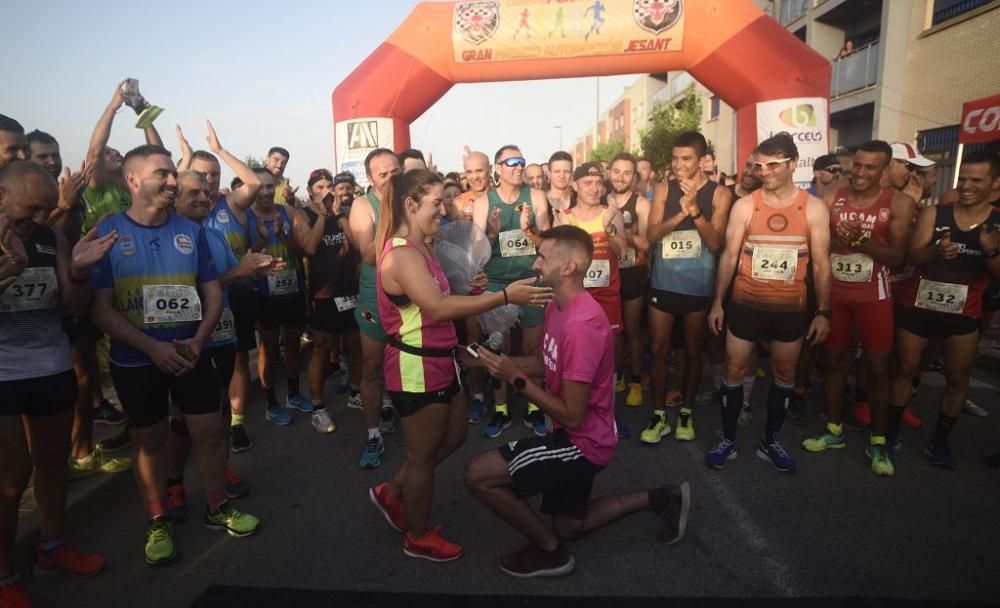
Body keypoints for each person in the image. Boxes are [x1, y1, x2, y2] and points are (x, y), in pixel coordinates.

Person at [463, 225, 690, 578]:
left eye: (542, 256)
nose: (535, 264)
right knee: (570, 525)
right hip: (585, 434)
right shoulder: (558, 305)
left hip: (581, 442)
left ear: (568, 267)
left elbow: (571, 415)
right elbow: (546, 362)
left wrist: (515, 379)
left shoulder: (582, 325)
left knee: (478, 474)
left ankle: (550, 552)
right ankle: (663, 498)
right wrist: (480, 360)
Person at [89, 145, 260, 566]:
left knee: (211, 433)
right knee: (148, 443)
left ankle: (216, 508)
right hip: (136, 361)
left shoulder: (192, 231)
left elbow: (212, 291)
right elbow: (99, 308)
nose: (171, 180)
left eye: (172, 173)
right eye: (162, 173)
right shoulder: (108, 232)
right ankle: (157, 519)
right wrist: (151, 347)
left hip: (190, 353)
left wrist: (200, 340)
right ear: (132, 180)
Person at [368, 169, 550, 562]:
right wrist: (503, 296)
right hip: (415, 366)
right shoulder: (401, 253)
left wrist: (470, 287)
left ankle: (392, 491)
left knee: (452, 439)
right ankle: (417, 535)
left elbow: (439, 297)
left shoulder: (425, 247)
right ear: (410, 205)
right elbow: (437, 307)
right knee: (421, 459)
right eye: (437, 202)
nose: (444, 209)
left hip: (441, 359)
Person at [0, 162, 114, 606]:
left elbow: (72, 305)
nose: (41, 218)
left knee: (51, 463)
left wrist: (81, 272)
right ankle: (5, 576)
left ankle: (51, 548)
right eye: (32, 209)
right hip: (3, 375)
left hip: (49, 366)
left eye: (48, 208)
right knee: (10, 479)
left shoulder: (51, 238)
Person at [706, 132, 831, 472]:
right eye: (760, 165)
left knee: (784, 372)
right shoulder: (746, 205)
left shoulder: (813, 207)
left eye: (774, 165)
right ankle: (728, 440)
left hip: (791, 307)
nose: (766, 171)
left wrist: (823, 312)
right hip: (746, 303)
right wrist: (718, 302)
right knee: (733, 370)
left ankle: (770, 440)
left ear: (793, 164)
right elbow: (729, 256)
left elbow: (821, 264)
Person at [163, 171, 275, 518]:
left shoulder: (214, 236)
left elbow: (230, 284)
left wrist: (254, 270)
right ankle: (174, 483)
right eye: (192, 192)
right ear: (174, 198)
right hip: (185, 340)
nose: (203, 197)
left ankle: (219, 470)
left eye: (206, 192)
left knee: (221, 409)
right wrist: (238, 273)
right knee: (182, 418)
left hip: (221, 335)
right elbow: (183, 292)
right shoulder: (165, 238)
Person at [802, 141, 914, 477]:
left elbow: (898, 257)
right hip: (836, 293)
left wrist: (863, 241)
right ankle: (833, 429)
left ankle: (878, 441)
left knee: (877, 369)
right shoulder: (830, 197)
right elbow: (816, 246)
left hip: (874, 295)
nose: (861, 173)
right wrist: (842, 240)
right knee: (834, 363)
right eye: (858, 166)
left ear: (884, 169)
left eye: (871, 167)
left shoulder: (899, 202)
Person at [889, 151, 1000, 468]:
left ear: (994, 184)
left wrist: (991, 252)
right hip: (919, 306)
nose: (966, 185)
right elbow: (911, 257)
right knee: (905, 370)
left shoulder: (997, 222)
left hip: (964, 313)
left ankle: (940, 440)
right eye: (962, 178)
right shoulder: (936, 213)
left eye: (975, 180)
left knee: (957, 378)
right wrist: (935, 251)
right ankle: (891, 431)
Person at [177, 121, 264, 452]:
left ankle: (235, 426)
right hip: (190, 317)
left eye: (213, 176)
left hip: (232, 300)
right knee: (192, 399)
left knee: (238, 363)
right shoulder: (177, 218)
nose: (209, 183)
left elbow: (253, 182)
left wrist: (219, 150)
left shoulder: (229, 205)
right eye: (201, 176)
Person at [643, 131, 732, 444]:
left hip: (697, 287)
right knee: (657, 349)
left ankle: (686, 413)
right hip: (663, 285)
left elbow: (716, 242)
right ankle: (658, 416)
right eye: (676, 158)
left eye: (687, 159)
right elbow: (651, 235)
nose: (679, 165)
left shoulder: (720, 194)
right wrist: (681, 211)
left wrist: (695, 210)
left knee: (694, 352)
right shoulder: (663, 189)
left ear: (702, 160)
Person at [473, 145, 551, 438]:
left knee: (533, 351)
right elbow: (477, 254)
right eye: (512, 162)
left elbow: (549, 244)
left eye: (522, 161)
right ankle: (501, 411)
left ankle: (535, 408)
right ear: (498, 168)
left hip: (532, 282)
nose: (519, 167)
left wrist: (529, 230)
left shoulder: (537, 197)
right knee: (499, 350)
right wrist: (492, 234)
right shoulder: (484, 202)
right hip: (497, 285)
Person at [247, 167, 313, 424]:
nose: (265, 191)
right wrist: (262, 242)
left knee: (293, 343)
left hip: (293, 288)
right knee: (269, 346)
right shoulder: (245, 218)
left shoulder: (289, 213)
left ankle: (294, 394)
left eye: (268, 186)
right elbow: (242, 258)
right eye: (259, 186)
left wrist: (284, 235)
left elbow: (303, 250)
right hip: (264, 293)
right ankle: (270, 403)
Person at [349, 148, 401, 468]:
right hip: (376, 297)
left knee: (407, 363)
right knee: (371, 367)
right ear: (371, 179)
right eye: (384, 174)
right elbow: (369, 253)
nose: (392, 178)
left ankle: (402, 415)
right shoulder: (362, 205)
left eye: (396, 171)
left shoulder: (413, 197)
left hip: (412, 296)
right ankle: (373, 434)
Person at [301, 168, 362, 433]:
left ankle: (356, 393)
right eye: (319, 187)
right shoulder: (305, 214)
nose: (326, 191)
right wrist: (323, 216)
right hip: (323, 294)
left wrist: (338, 215)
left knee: (354, 345)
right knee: (322, 349)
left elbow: (356, 245)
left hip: (350, 291)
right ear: (310, 190)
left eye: (329, 186)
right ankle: (318, 408)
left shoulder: (344, 213)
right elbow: (311, 247)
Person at [605, 153, 650, 408]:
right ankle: (616, 374)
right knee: (610, 329)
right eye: (616, 171)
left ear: (634, 177)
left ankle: (635, 381)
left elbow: (646, 242)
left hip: (632, 272)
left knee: (631, 327)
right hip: (604, 274)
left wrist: (621, 234)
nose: (620, 177)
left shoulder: (641, 204)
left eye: (627, 173)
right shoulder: (599, 200)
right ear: (609, 172)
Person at [454, 151, 493, 422]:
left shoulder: (502, 196)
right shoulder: (458, 203)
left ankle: (507, 394)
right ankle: (478, 397)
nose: (475, 176)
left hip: (501, 277)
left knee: (505, 339)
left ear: (489, 169)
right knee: (473, 339)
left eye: (480, 170)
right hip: (472, 278)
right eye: (470, 172)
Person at [546, 151, 574, 220]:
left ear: (571, 174)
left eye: (566, 171)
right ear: (549, 174)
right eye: (557, 171)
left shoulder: (579, 201)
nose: (562, 176)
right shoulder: (540, 201)